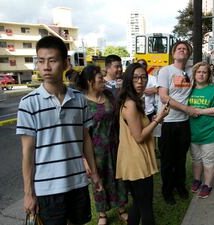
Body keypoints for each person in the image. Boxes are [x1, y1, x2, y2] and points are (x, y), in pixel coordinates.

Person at [16, 36, 102, 225]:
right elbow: (27, 152)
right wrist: (28, 193)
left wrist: (94, 173)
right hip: (48, 189)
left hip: (78, 184)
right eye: (41, 61)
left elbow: (86, 139)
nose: (46, 66)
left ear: (65, 64)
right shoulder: (28, 103)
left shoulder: (79, 100)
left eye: (52, 60)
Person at [116, 63, 170, 225]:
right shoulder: (131, 104)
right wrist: (158, 120)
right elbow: (139, 137)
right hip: (136, 161)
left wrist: (153, 121)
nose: (140, 81)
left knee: (139, 205)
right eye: (135, 78)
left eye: (143, 77)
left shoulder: (133, 100)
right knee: (146, 207)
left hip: (134, 158)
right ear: (128, 80)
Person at [76, 65, 128, 225]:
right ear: (91, 81)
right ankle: (102, 214)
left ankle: (121, 208)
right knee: (99, 182)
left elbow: (119, 115)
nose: (103, 80)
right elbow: (80, 134)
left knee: (118, 178)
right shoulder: (82, 102)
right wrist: (84, 159)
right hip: (95, 151)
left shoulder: (108, 95)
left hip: (115, 145)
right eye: (100, 78)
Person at [157, 40, 198, 204]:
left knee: (181, 159)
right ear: (173, 53)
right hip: (167, 122)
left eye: (185, 49)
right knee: (167, 159)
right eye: (179, 48)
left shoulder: (191, 72)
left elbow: (206, 79)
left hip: (184, 123)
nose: (182, 50)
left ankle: (180, 186)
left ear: (188, 55)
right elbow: (163, 97)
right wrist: (186, 109)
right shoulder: (166, 71)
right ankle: (167, 190)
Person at [188, 62, 214, 199]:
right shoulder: (188, 89)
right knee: (196, 159)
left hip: (211, 132)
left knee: (208, 161)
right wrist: (209, 112)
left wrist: (200, 111)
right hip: (193, 133)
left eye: (205, 72)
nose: (201, 74)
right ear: (194, 73)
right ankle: (197, 180)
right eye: (199, 72)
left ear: (209, 75)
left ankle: (207, 185)